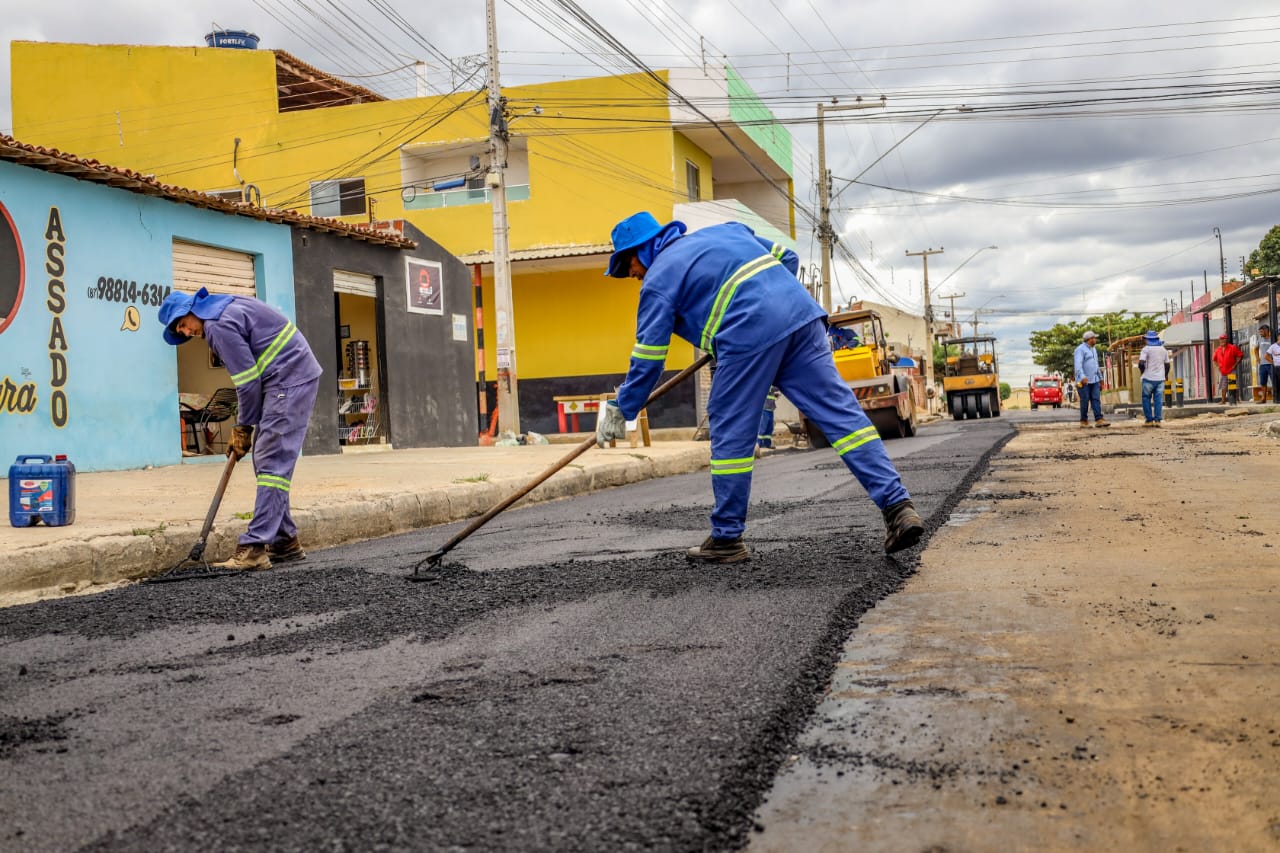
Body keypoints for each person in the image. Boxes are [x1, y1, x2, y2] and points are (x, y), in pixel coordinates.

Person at [596, 211, 922, 562]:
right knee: (844, 419)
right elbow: (789, 258)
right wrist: (773, 303)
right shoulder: (728, 232)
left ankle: (727, 538)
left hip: (745, 333)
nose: (630, 273)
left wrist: (623, 406)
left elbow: (648, 357)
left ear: (643, 251)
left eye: (627, 263)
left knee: (731, 434)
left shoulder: (658, 280)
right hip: (802, 319)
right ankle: (898, 508)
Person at [159, 287, 323, 570]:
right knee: (268, 462)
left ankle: (255, 547)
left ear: (191, 310)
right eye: (180, 331)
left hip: (289, 378)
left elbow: (247, 382)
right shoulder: (224, 306)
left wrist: (243, 427)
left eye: (182, 325)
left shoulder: (218, 325)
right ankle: (285, 541)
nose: (185, 333)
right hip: (288, 377)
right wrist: (246, 427)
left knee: (271, 461)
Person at [1073, 330, 1109, 428]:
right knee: (1085, 400)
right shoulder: (1080, 349)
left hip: (1094, 379)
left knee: (1096, 399)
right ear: (1089, 339)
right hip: (1083, 380)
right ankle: (1083, 421)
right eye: (1094, 338)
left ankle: (1099, 419)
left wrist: (1101, 378)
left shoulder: (1094, 350)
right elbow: (1078, 365)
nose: (1095, 340)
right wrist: (1082, 376)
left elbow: (1096, 365)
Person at [1137, 329, 1170, 426]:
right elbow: (1167, 365)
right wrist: (1164, 375)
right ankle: (1158, 420)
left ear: (1148, 339)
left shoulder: (1146, 349)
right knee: (1158, 400)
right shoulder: (1163, 349)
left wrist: (1143, 372)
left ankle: (1149, 420)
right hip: (1160, 379)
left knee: (1146, 398)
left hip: (1148, 378)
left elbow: (1141, 363)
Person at [1213, 333, 1243, 405]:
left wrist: (1235, 364)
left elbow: (1240, 355)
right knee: (1224, 386)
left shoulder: (1232, 347)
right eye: (1221, 339)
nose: (1222, 341)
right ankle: (1223, 400)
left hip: (1231, 369)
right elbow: (1214, 359)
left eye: (1224, 339)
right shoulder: (1218, 349)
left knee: (1233, 384)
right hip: (1223, 370)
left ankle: (1237, 399)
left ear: (1226, 340)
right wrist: (1218, 366)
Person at [757, 385, 779, 452]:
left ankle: (767, 444)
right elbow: (773, 389)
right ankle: (758, 444)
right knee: (763, 428)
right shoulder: (768, 384)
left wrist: (776, 395)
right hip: (765, 409)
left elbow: (773, 395)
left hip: (770, 409)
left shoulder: (772, 386)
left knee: (769, 428)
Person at [1254, 324, 1272, 402]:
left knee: (1275, 380)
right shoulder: (1260, 339)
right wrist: (1257, 358)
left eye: (1261, 332)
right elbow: (1256, 349)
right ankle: (1263, 398)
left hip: (1272, 363)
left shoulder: (1273, 339)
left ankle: (1277, 397)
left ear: (1266, 331)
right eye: (1259, 332)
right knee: (1263, 382)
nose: (1260, 333)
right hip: (1263, 364)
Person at [1266, 332, 1280, 404]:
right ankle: (1277, 398)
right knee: (1277, 382)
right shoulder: (1273, 346)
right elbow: (1266, 356)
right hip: (1277, 366)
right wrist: (1272, 362)